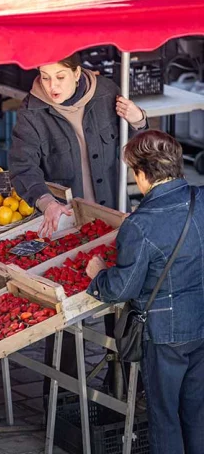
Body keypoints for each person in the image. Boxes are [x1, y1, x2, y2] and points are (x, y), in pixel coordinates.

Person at [8, 53, 148, 398]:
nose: (51, 86)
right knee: (69, 308)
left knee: (122, 299)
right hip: (69, 223)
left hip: (113, 215)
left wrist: (139, 121)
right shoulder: (31, 112)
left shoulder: (108, 93)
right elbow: (23, 168)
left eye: (59, 77)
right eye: (44, 76)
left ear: (77, 73)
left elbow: (144, 152)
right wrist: (45, 202)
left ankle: (123, 383)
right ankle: (62, 395)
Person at [86, 130, 204, 454]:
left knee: (165, 417)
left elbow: (122, 287)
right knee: (197, 412)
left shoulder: (140, 224)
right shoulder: (201, 199)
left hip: (166, 334)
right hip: (201, 322)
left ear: (142, 174)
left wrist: (98, 275)